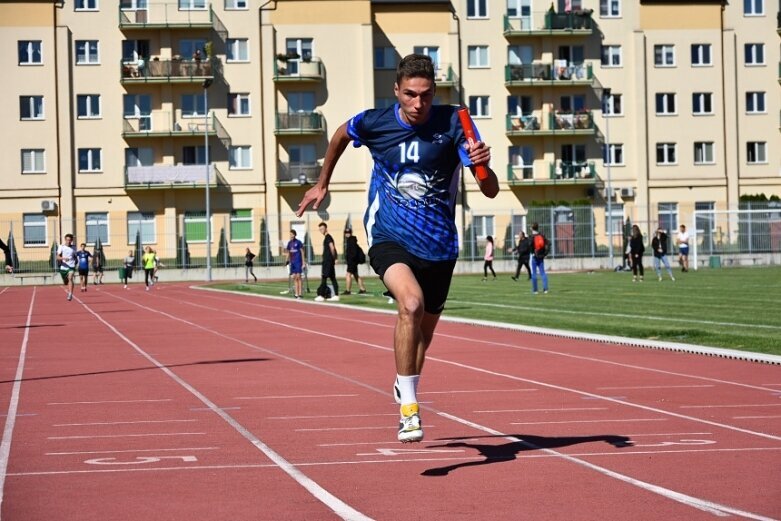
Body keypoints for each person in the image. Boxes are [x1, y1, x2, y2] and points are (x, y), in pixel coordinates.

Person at [295, 53, 498, 443]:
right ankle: (409, 409)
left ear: (434, 92)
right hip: (389, 237)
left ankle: (404, 382)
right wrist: (323, 182)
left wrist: (483, 165)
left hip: (440, 247)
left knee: (422, 337)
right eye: (410, 94)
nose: (418, 103)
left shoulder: (454, 123)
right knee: (410, 304)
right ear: (397, 92)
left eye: (425, 95)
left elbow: (489, 191)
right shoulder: (375, 122)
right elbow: (340, 134)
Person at [315, 222, 339, 302]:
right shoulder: (326, 238)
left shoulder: (328, 237)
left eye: (322, 229)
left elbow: (332, 247)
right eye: (320, 229)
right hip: (328, 261)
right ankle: (336, 295)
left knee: (324, 277)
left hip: (328, 261)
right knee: (332, 278)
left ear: (326, 228)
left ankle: (321, 295)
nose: (321, 230)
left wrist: (334, 258)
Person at [342, 227, 367, 295]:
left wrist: (351, 259)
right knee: (356, 275)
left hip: (352, 261)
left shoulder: (351, 240)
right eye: (346, 233)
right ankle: (362, 289)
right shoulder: (350, 240)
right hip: (353, 261)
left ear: (351, 233)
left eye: (348, 232)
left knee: (348, 275)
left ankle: (348, 290)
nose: (347, 234)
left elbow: (353, 252)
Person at [284, 229, 305, 299]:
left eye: (292, 234)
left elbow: (302, 252)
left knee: (299, 277)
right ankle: (296, 293)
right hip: (292, 262)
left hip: (298, 262)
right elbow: (288, 252)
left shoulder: (298, 242)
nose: (291, 236)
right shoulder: (289, 243)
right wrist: (286, 261)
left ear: (295, 235)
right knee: (294, 278)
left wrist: (303, 262)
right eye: (290, 234)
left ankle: (300, 293)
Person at [56, 234, 77, 301]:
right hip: (63, 267)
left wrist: (76, 261)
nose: (68, 241)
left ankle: (70, 293)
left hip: (71, 266)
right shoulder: (61, 247)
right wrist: (63, 258)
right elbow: (57, 257)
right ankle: (66, 282)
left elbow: (75, 256)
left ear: (71, 240)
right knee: (66, 282)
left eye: (70, 240)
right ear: (65, 240)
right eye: (67, 240)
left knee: (70, 278)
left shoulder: (74, 247)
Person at [530, 223, 549, 294]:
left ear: (532, 228)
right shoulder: (542, 235)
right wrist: (545, 253)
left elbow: (530, 246)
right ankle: (545, 289)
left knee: (534, 273)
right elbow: (548, 243)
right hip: (541, 256)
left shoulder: (531, 237)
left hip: (534, 256)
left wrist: (532, 252)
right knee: (543, 272)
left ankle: (535, 290)